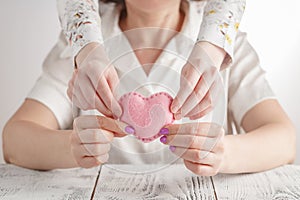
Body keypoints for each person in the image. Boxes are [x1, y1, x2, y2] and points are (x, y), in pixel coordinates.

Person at [2, 0, 296, 176]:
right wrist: (70, 146)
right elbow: (15, 141)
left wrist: (225, 153)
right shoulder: (77, 49)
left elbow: (284, 140)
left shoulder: (231, 49)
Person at [57, 0, 246, 120]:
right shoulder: (66, 50)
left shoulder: (238, 48)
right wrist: (87, 48)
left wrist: (225, 153)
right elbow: (27, 133)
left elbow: (275, 132)